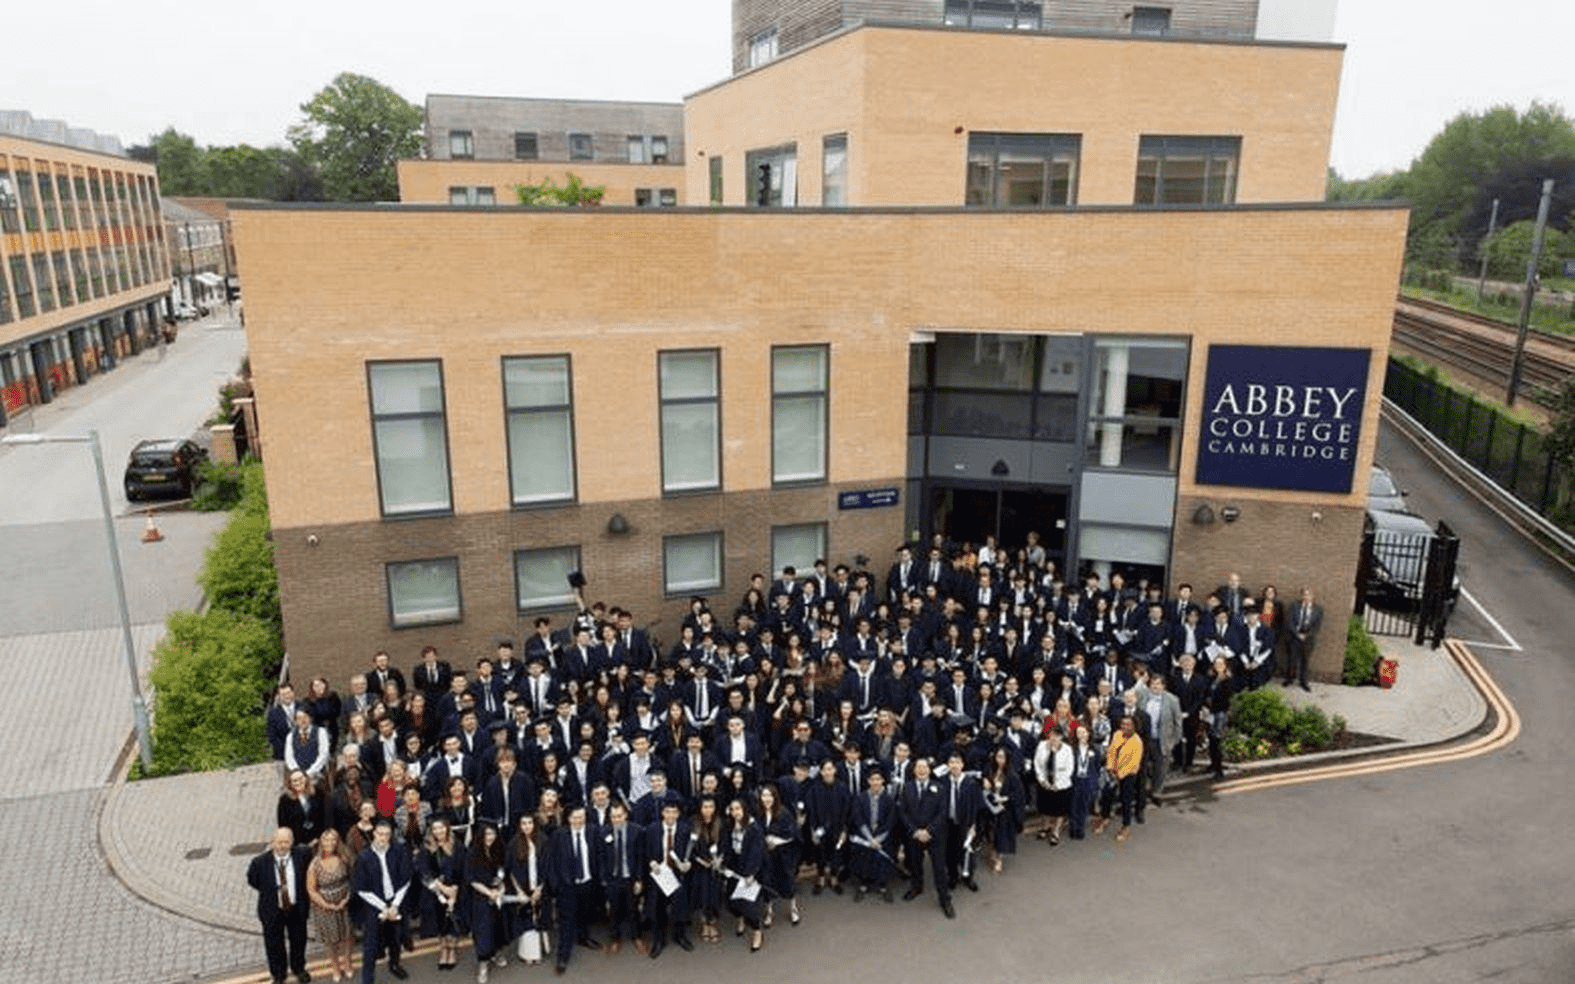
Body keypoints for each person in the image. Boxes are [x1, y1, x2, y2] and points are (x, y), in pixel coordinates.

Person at [247, 827, 312, 984]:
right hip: (272, 910)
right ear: (272, 843)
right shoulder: (259, 862)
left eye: (286, 842)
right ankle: (278, 974)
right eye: (279, 842)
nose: (282, 845)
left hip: (296, 908)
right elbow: (253, 881)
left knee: (299, 941)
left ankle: (298, 968)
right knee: (274, 944)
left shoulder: (303, 855)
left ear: (292, 842)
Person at [352, 819, 413, 983]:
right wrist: (384, 908)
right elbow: (361, 888)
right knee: (371, 943)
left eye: (387, 835)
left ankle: (394, 965)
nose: (383, 838)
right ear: (374, 833)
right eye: (380, 834)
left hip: (395, 901)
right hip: (374, 904)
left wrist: (394, 905)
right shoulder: (364, 857)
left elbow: (405, 879)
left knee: (395, 938)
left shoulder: (398, 851)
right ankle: (368, 976)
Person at [546, 805, 600, 975]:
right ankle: (563, 957)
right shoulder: (558, 835)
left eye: (582, 817)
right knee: (567, 922)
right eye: (575, 817)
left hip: (587, 882)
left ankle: (583, 938)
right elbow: (550, 862)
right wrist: (555, 885)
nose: (579, 821)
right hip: (566, 886)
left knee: (585, 913)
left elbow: (599, 854)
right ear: (568, 818)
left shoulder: (592, 831)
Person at [898, 757, 953, 919]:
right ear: (914, 770)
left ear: (930, 770)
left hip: (935, 835)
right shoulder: (907, 788)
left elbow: (943, 813)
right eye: (919, 767)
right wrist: (915, 831)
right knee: (915, 864)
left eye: (925, 767)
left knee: (939, 868)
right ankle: (916, 887)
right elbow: (903, 812)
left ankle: (945, 899)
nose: (922, 770)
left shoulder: (940, 788)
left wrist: (929, 831)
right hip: (914, 835)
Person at [643, 799, 697, 957]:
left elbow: (692, 852)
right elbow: (644, 850)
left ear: (678, 814)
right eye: (667, 812)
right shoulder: (652, 829)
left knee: (680, 907)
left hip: (677, 873)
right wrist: (651, 862)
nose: (671, 815)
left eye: (674, 812)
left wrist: (689, 863)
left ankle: (680, 936)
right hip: (660, 874)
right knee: (657, 908)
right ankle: (658, 940)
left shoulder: (685, 829)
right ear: (662, 813)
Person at [306, 827, 355, 982]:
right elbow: (311, 890)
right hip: (324, 908)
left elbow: (351, 878)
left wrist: (347, 897)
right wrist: (327, 905)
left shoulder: (344, 858)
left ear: (338, 842)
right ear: (321, 842)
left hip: (344, 903)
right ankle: (335, 967)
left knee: (347, 937)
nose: (330, 843)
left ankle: (347, 963)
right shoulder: (315, 865)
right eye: (326, 840)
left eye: (333, 839)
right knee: (330, 940)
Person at [418, 818, 466, 970]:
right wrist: (441, 887)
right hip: (435, 892)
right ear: (431, 831)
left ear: (447, 828)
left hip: (455, 890)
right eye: (435, 828)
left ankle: (452, 950)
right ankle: (443, 950)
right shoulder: (427, 848)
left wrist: (455, 890)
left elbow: (463, 869)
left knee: (452, 922)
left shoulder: (457, 846)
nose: (439, 831)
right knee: (440, 923)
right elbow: (423, 871)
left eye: (441, 827)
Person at [721, 797, 767, 953]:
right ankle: (740, 919)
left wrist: (751, 874)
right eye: (732, 809)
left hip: (749, 868)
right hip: (734, 867)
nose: (735, 812)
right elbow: (727, 846)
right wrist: (723, 863)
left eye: (738, 809)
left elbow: (756, 853)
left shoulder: (754, 828)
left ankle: (757, 931)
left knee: (749, 904)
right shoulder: (729, 825)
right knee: (732, 899)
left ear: (745, 810)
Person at [466, 822, 509, 983]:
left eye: (492, 834)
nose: (489, 837)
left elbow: (503, 871)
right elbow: (471, 879)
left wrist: (500, 889)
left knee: (498, 927)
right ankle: (483, 964)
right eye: (486, 834)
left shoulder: (499, 849)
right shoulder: (473, 853)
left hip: (497, 895)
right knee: (483, 930)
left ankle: (495, 954)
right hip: (481, 896)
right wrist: (489, 892)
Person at [505, 813, 550, 967]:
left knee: (539, 918)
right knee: (526, 920)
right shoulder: (514, 843)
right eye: (523, 823)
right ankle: (527, 954)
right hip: (522, 888)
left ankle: (538, 952)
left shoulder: (543, 840)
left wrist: (540, 889)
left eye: (530, 823)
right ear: (519, 825)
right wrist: (519, 891)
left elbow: (548, 866)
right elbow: (510, 870)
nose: (527, 826)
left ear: (534, 824)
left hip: (539, 886)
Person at [756, 781, 801, 925]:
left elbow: (793, 834)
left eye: (770, 795)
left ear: (775, 797)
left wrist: (776, 840)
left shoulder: (784, 813)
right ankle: (769, 911)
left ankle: (793, 908)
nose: (767, 799)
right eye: (764, 795)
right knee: (767, 882)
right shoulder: (759, 814)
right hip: (767, 855)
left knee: (788, 882)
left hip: (783, 854)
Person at [849, 767, 898, 901]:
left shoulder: (889, 799)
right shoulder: (861, 798)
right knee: (864, 861)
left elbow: (890, 821)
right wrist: (870, 838)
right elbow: (858, 818)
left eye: (878, 779)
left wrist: (878, 839)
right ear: (868, 781)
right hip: (865, 837)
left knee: (882, 861)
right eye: (872, 779)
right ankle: (863, 885)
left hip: (882, 838)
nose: (875, 782)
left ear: (883, 781)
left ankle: (883, 886)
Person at [1096, 716, 1144, 843]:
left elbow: (1134, 763)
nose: (1125, 726)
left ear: (1134, 726)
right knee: (1106, 794)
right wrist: (1110, 768)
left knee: (1126, 801)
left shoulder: (1137, 741)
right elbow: (1111, 752)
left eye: (1128, 724)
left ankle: (1126, 826)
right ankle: (1105, 817)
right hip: (1113, 772)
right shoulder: (1117, 734)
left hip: (1128, 775)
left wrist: (1120, 776)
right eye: (1123, 724)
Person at [689, 795, 726, 944]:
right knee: (703, 895)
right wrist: (698, 860)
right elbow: (688, 847)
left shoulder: (721, 823)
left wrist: (720, 859)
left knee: (715, 895)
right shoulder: (693, 823)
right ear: (700, 808)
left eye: (711, 806)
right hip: (700, 866)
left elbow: (725, 844)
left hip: (716, 866)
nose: (708, 810)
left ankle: (713, 922)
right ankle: (705, 923)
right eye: (705, 807)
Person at [1033, 728, 1073, 846]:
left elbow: (1069, 769)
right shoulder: (1042, 746)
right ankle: (1045, 828)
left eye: (1057, 737)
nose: (1054, 740)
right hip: (1044, 783)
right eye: (1052, 737)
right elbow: (1037, 763)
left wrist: (1057, 783)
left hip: (1060, 785)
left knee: (1059, 811)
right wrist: (1042, 780)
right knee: (1044, 808)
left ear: (1061, 738)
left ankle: (1056, 831)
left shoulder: (1067, 749)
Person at [1284, 586, 1323, 691]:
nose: (1306, 597)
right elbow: (1289, 621)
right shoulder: (1294, 606)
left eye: (1308, 595)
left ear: (1312, 596)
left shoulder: (1318, 609)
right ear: (1301, 596)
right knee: (1292, 659)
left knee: (1304, 661)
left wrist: (1307, 635)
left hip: (1308, 638)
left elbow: (1317, 626)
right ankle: (1289, 679)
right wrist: (1297, 634)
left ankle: (1303, 682)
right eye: (1304, 594)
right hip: (1294, 636)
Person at [1067, 725, 1101, 841]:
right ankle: (1073, 827)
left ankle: (1080, 828)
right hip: (1076, 779)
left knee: (1084, 805)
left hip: (1088, 780)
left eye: (1083, 732)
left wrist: (1093, 778)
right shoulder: (1072, 749)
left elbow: (1097, 766)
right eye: (1079, 733)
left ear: (1088, 733)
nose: (1081, 735)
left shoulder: (1094, 750)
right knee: (1074, 805)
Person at [277, 769, 327, 849]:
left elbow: (326, 816)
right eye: (295, 781)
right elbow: (283, 824)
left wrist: (320, 838)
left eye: (301, 779)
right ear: (290, 784)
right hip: (297, 844)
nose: (299, 782)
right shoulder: (284, 800)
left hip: (320, 840)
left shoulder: (318, 793)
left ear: (306, 779)